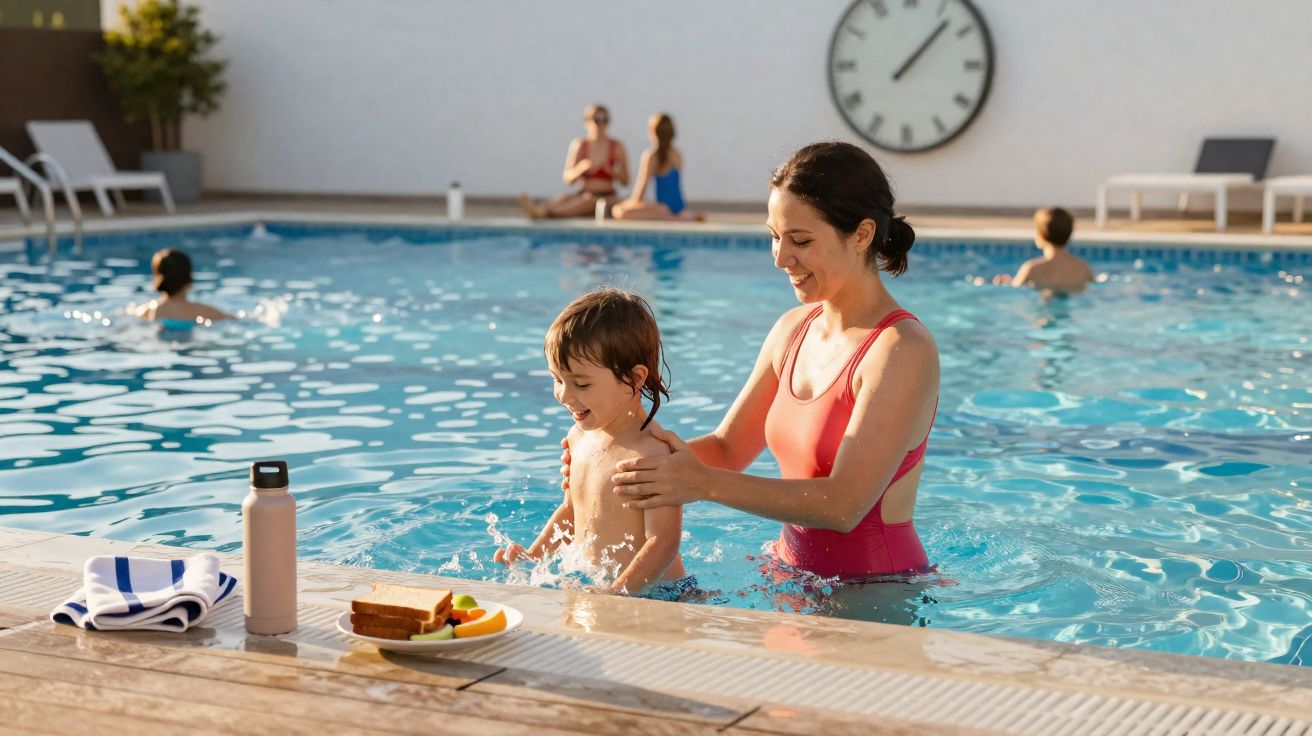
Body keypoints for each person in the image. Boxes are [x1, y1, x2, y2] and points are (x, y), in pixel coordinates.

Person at [592, 142, 939, 583]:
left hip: (875, 590)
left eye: (801, 240)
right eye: (775, 236)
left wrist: (704, 484)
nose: (780, 258)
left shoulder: (901, 349)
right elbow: (728, 448)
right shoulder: (792, 330)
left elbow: (845, 505)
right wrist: (617, 463)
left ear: (862, 235)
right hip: (786, 573)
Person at [495, 288, 688, 596]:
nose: (563, 395)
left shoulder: (651, 454)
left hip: (661, 595)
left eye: (581, 384)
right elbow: (572, 511)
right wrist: (533, 558)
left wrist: (617, 594)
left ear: (635, 378)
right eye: (558, 379)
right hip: (601, 587)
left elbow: (663, 542)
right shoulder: (578, 437)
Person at [518, 104, 629, 219]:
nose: (601, 125)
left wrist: (612, 172)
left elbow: (626, 180)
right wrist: (581, 168)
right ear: (587, 122)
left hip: (607, 196)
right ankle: (541, 208)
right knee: (563, 198)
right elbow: (568, 178)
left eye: (604, 120)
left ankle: (546, 212)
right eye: (597, 120)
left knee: (589, 202)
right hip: (583, 193)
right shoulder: (580, 145)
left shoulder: (616, 146)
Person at [612, 113, 703, 222]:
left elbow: (640, 193)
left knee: (619, 211)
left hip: (663, 207)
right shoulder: (677, 154)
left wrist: (628, 204)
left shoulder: (651, 156)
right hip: (679, 205)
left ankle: (672, 218)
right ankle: (679, 216)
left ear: (653, 132)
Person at [992, 207, 1094, 293]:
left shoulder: (1031, 268)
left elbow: (1015, 290)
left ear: (1041, 236)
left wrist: (1006, 284)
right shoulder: (1083, 268)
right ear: (1069, 235)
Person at [128, 249, 233, 328]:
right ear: (189, 278)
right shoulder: (201, 310)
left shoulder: (149, 310)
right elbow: (233, 319)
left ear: (157, 279)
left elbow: (130, 313)